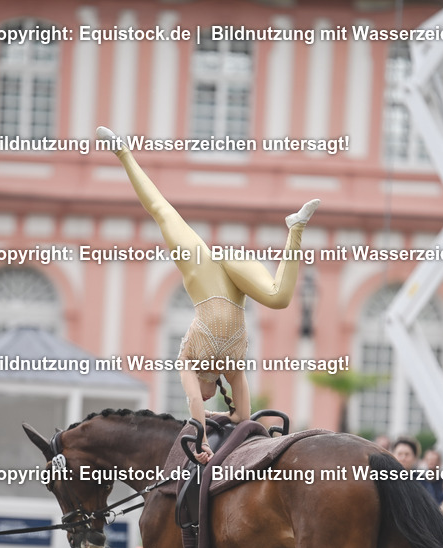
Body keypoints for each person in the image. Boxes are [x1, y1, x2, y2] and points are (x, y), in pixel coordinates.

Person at [98, 125, 318, 462]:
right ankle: (296, 228)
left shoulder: (186, 362)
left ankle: (122, 152)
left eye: (205, 399)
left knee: (162, 211)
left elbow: (193, 403)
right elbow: (244, 416)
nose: (204, 396)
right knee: (279, 299)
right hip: (234, 275)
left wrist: (201, 439)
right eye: (209, 397)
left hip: (201, 272)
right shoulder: (232, 370)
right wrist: (221, 417)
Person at [390, 435, 442, 502]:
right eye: (399, 454)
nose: (403, 458)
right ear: (392, 456)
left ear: (415, 458)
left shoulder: (422, 482)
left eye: (407, 454)